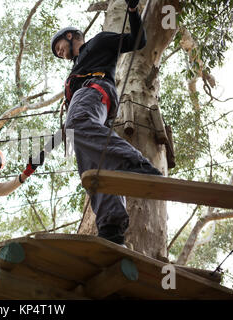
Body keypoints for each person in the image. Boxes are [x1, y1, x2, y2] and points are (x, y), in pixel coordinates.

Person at [50, 0, 162, 246]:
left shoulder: (98, 43)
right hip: (92, 105)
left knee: (78, 123)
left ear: (70, 36)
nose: (59, 53)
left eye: (58, 46)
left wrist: (132, 10)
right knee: (95, 171)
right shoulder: (75, 69)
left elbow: (137, 41)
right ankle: (111, 227)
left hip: (96, 91)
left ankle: (135, 163)